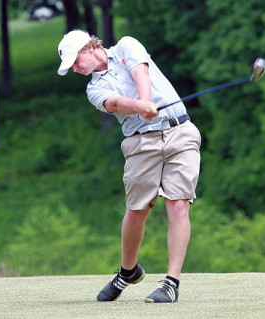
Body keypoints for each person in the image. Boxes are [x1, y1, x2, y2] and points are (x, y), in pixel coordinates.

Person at [56, 30, 201, 303]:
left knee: (179, 204)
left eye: (75, 61)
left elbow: (140, 74)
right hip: (140, 144)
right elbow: (115, 103)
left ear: (89, 47)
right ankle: (128, 271)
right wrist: (139, 106)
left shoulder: (125, 46)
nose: (75, 69)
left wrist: (145, 101)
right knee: (136, 212)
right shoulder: (93, 88)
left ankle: (171, 283)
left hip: (179, 132)